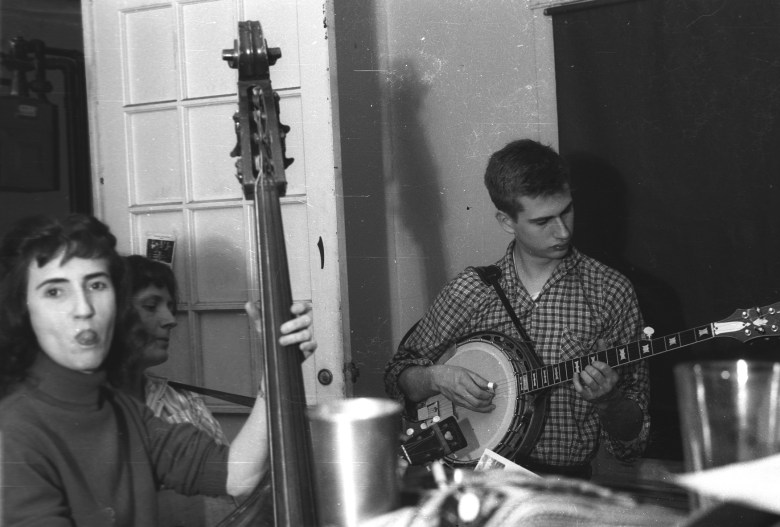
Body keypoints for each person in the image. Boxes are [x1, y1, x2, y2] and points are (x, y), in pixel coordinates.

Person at [0, 213, 315, 526]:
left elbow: (236, 475)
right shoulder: (14, 432)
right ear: (24, 311)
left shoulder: (121, 410)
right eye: (55, 291)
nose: (84, 308)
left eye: (96, 284)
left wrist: (276, 367)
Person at [384, 139, 650, 479]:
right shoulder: (471, 290)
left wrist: (607, 401)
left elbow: (632, 440)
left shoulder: (610, 292)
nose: (563, 230)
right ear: (507, 221)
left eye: (567, 210)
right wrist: (436, 376)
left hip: (561, 489)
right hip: (475, 486)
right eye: (542, 222)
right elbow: (397, 377)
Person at [118, 254, 316, 525]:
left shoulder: (183, 403)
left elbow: (236, 484)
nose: (170, 319)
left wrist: (276, 366)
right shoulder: (87, 409)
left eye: (170, 306)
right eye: (151, 306)